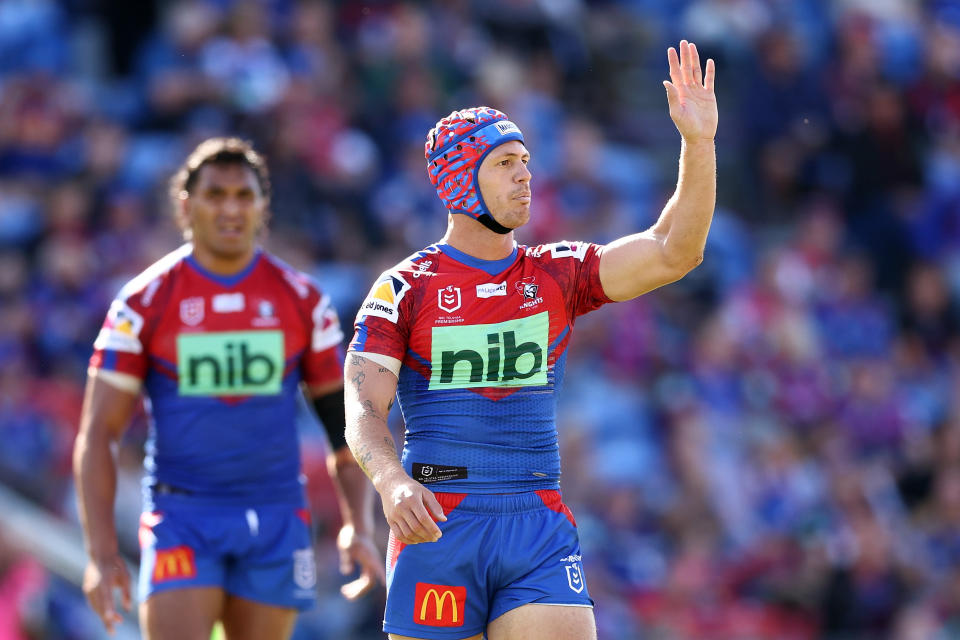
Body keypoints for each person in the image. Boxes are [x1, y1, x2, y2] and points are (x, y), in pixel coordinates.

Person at [343, 40, 717, 640]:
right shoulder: (404, 288)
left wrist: (698, 144)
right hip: (440, 520)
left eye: (526, 160)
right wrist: (390, 482)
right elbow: (363, 409)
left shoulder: (555, 273)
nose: (525, 174)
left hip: (535, 518)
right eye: (504, 162)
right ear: (459, 176)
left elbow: (677, 250)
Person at [73, 137, 383, 640]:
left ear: (264, 207)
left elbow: (342, 428)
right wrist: (101, 555)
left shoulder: (302, 301)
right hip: (182, 515)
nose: (230, 208)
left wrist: (358, 524)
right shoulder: (143, 303)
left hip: (277, 514)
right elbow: (98, 434)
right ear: (185, 204)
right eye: (215, 195)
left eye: (244, 195)